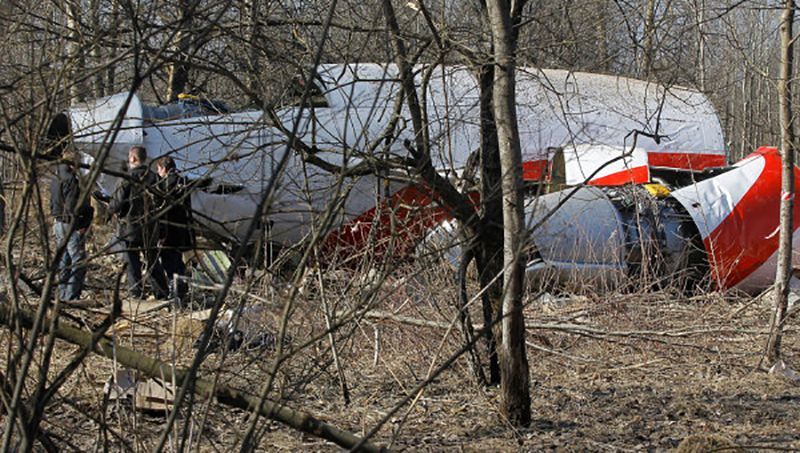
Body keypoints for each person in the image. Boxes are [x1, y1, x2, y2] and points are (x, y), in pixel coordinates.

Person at [108, 146, 169, 299]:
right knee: (153, 262)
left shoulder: (126, 179)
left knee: (132, 263)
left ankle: (136, 294)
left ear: (133, 159)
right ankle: (162, 293)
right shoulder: (155, 178)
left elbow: (116, 204)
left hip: (130, 229)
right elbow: (163, 205)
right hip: (151, 228)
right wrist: (162, 229)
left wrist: (109, 209)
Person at [50, 149, 94, 301]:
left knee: (64, 259)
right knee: (79, 260)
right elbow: (72, 207)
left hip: (58, 222)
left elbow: (53, 202)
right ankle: (72, 295)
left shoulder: (56, 177)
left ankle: (62, 294)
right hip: (70, 224)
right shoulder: (71, 180)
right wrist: (80, 225)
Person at [154, 156, 194, 303]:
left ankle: (176, 294)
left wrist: (161, 233)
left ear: (163, 169)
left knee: (170, 264)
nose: (158, 173)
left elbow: (163, 211)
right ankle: (182, 291)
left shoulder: (164, 185)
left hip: (169, 231)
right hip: (182, 230)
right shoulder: (183, 182)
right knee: (178, 262)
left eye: (158, 169)